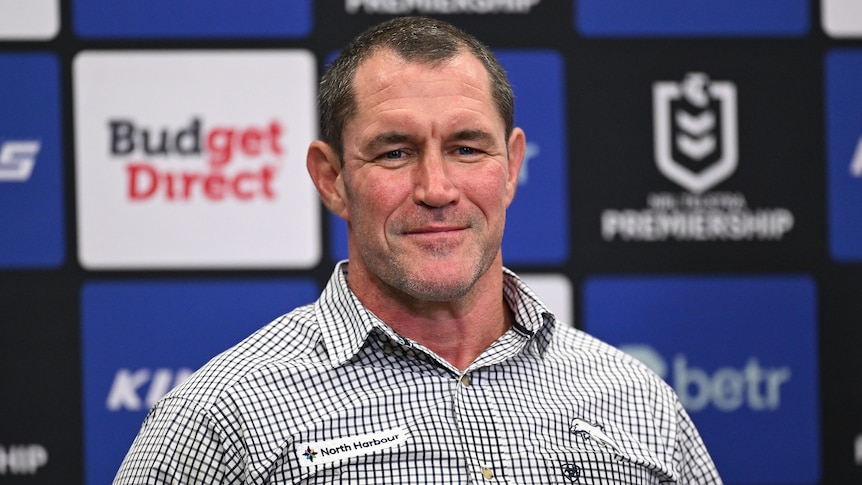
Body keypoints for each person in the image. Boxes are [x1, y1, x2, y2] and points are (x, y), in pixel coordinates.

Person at [114, 16, 722, 484]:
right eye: (395, 152)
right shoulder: (223, 416)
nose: (436, 189)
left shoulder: (636, 400)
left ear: (512, 166)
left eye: (466, 149)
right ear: (332, 178)